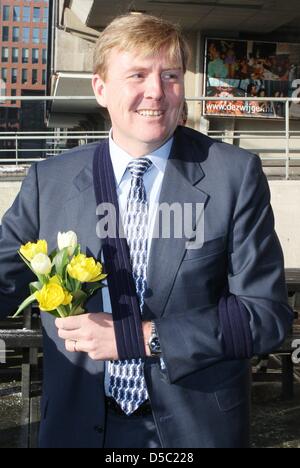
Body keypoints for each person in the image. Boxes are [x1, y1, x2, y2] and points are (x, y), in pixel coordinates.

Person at [0, 13, 293, 449]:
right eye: (137, 74)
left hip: (194, 431)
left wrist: (143, 337)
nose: (156, 92)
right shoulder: (50, 181)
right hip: (77, 428)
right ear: (100, 88)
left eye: (170, 75)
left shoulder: (233, 176)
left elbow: (267, 318)